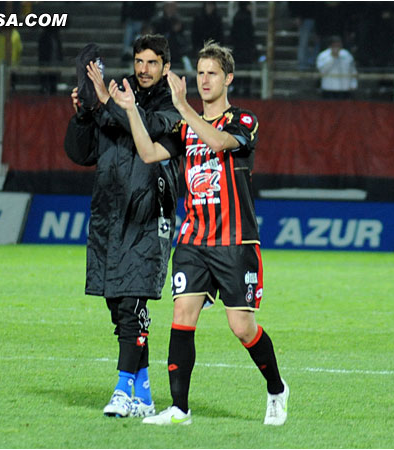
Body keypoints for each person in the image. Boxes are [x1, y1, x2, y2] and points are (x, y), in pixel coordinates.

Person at [108, 41, 289, 426]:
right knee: (182, 314)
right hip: (193, 239)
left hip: (236, 241)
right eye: (201, 73)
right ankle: (180, 409)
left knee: (241, 327)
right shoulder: (183, 126)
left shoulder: (243, 121)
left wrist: (184, 107)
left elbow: (219, 142)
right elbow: (148, 153)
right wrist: (130, 112)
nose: (205, 79)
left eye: (212, 74)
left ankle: (276, 388)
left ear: (229, 79)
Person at [63, 35, 182, 418]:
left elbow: (144, 125)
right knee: (118, 306)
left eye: (152, 63)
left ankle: (121, 389)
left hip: (148, 215)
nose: (143, 69)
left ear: (165, 67)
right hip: (109, 215)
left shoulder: (173, 107)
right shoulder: (117, 98)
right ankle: (144, 395)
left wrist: (107, 102)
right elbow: (81, 153)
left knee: (132, 303)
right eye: (138, 61)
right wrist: (85, 112)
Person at [316, 35, 357, 100]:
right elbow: (322, 71)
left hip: (345, 88)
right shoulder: (323, 55)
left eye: (338, 45)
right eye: (334, 46)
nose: (336, 48)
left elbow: (353, 71)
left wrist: (353, 84)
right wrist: (333, 58)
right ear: (330, 46)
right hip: (328, 89)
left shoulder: (347, 55)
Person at [230, 1, 256, 97]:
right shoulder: (247, 18)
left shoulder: (236, 17)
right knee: (246, 70)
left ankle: (236, 89)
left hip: (238, 49)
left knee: (237, 70)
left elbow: (232, 34)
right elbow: (250, 35)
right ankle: (246, 90)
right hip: (246, 49)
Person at [37, 26, 63, 94]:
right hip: (46, 64)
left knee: (53, 85)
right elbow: (42, 53)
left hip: (54, 63)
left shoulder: (56, 38)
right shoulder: (44, 38)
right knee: (45, 84)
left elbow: (59, 52)